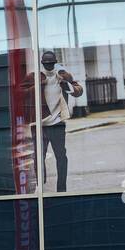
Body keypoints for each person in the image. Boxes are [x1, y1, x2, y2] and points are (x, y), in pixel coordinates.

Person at [36, 50, 84, 192]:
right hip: (41, 125)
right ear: (42, 63)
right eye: (46, 64)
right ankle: (40, 186)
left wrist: (66, 85)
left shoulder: (63, 74)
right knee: (39, 157)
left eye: (51, 64)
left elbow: (78, 91)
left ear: (55, 63)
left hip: (58, 124)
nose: (49, 66)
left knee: (61, 157)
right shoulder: (36, 76)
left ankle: (61, 189)